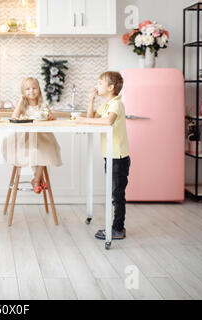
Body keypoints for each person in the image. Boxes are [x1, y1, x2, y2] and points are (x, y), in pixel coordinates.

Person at [75, 71, 130, 240]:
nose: (97, 86)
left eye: (100, 83)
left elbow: (107, 121)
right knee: (114, 193)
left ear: (111, 88)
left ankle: (118, 228)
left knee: (117, 194)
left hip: (118, 157)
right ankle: (116, 227)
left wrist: (83, 121)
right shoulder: (106, 104)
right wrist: (91, 100)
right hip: (110, 155)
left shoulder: (116, 104)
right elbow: (92, 117)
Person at [2, 77, 62, 193]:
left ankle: (36, 179)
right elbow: (14, 117)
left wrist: (50, 117)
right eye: (27, 89)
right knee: (36, 150)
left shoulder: (43, 105)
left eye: (34, 88)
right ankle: (38, 179)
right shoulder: (23, 106)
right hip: (26, 137)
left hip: (42, 136)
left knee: (45, 149)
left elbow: (51, 117)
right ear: (23, 92)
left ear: (39, 89)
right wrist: (20, 101)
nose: (31, 91)